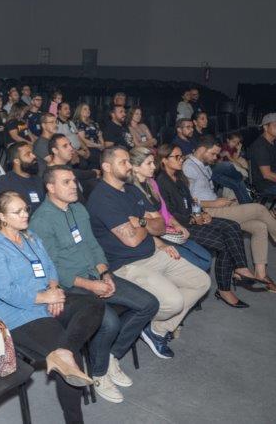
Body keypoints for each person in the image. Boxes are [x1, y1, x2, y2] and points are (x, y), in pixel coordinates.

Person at [30, 165, 159, 404]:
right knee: (109, 322)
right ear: (50, 187)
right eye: (66, 182)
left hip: (95, 274)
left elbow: (93, 244)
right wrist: (91, 286)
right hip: (71, 286)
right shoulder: (41, 220)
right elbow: (52, 267)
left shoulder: (79, 209)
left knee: (149, 304)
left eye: (74, 180)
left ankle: (110, 356)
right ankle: (99, 374)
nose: (74, 186)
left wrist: (104, 273)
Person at [0, 191, 105, 423]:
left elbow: (50, 267)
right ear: (2, 217)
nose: (25, 214)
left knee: (93, 304)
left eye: (25, 209)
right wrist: (45, 297)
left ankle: (62, 352)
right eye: (17, 212)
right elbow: (6, 292)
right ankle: (74, 419)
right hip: (19, 314)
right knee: (73, 362)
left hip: (48, 300)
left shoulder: (31, 237)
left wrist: (55, 292)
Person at [87, 147, 210, 358]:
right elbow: (132, 240)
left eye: (129, 161)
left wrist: (139, 222)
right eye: (123, 162)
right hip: (126, 265)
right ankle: (140, 323)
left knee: (201, 282)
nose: (129, 166)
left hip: (153, 253)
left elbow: (160, 226)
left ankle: (157, 329)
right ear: (106, 167)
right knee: (174, 303)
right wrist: (147, 223)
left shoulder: (131, 190)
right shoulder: (102, 198)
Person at [185, 137, 276, 278]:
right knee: (259, 209)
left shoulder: (202, 164)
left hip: (216, 206)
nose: (216, 157)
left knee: (259, 226)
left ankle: (261, 275)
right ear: (202, 149)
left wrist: (219, 201)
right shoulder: (188, 167)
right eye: (213, 154)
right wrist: (213, 203)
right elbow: (185, 200)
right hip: (206, 212)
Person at [156, 144, 259, 308]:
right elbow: (169, 214)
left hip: (193, 219)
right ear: (164, 160)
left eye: (181, 156)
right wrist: (193, 219)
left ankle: (241, 268)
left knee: (233, 226)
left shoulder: (179, 177)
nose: (181, 159)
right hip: (180, 227)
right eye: (177, 157)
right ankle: (225, 290)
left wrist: (202, 212)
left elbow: (191, 201)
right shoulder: (161, 182)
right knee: (225, 244)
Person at [129, 146, 212, 272]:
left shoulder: (151, 183)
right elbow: (141, 222)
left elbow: (164, 211)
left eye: (153, 162)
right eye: (149, 163)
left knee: (206, 258)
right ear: (135, 167)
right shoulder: (131, 190)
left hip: (166, 229)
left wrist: (176, 224)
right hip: (153, 236)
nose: (153, 166)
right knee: (200, 263)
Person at [44, 134, 98, 198]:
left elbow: (79, 173)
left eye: (70, 144)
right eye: (65, 146)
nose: (71, 148)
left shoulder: (65, 164)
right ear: (55, 151)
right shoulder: (53, 173)